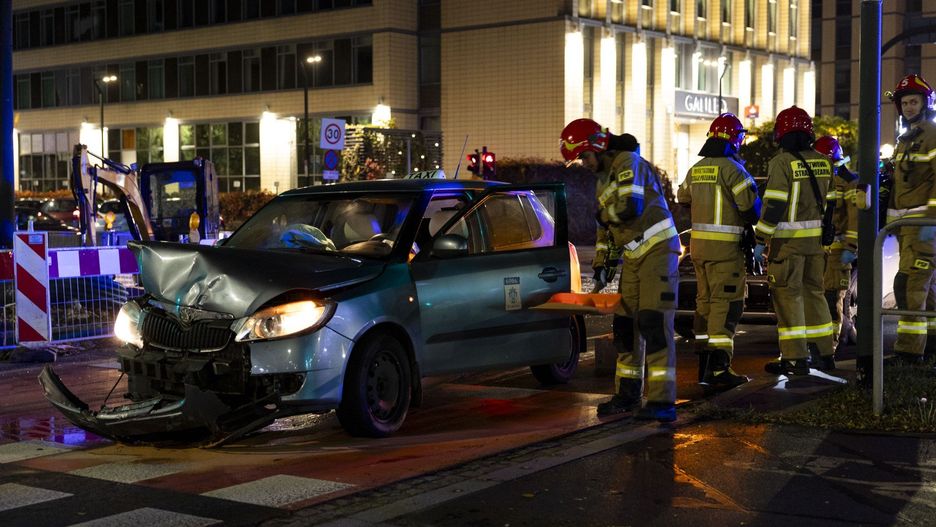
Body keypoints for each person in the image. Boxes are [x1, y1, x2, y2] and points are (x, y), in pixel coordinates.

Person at [560, 118, 679, 422]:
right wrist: (603, 264)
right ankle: (627, 394)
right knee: (625, 329)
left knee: (654, 325)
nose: (584, 164)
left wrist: (601, 213)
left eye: (585, 156)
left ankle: (662, 401)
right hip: (634, 259)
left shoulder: (629, 162)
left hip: (657, 253)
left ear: (598, 146)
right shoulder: (603, 178)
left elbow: (629, 207)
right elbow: (607, 231)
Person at [677, 113, 761, 390]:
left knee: (705, 303)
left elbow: (682, 198)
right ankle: (719, 368)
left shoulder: (696, 169)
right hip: (726, 252)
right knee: (727, 307)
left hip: (699, 250)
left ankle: (704, 366)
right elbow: (750, 209)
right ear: (735, 139)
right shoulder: (734, 170)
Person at [753, 106, 835, 374]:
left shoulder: (781, 163)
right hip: (815, 246)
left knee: (788, 299)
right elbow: (831, 203)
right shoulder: (824, 162)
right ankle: (824, 353)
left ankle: (794, 358)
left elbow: (774, 205)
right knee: (816, 295)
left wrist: (760, 238)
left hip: (787, 247)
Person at [886, 73, 936, 364]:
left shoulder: (930, 134)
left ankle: (908, 351)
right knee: (927, 287)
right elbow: (900, 185)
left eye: (914, 101)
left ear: (925, 103)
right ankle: (929, 347)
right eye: (905, 102)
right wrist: (892, 222)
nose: (908, 107)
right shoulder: (906, 138)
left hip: (922, 224)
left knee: (910, 285)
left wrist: (931, 219)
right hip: (908, 225)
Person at [814, 136, 859, 354]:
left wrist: (851, 247)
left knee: (833, 298)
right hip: (817, 250)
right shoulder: (816, 178)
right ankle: (827, 341)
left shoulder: (849, 181)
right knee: (819, 298)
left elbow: (854, 217)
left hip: (839, 250)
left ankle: (829, 347)